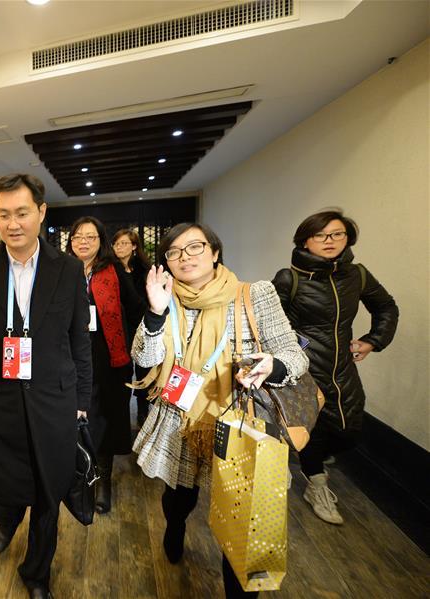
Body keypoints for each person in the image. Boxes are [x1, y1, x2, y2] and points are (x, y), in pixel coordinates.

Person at [132, 222, 307, 598]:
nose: (185, 258)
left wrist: (272, 366)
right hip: (178, 418)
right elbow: (144, 358)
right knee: (179, 497)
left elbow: (295, 356)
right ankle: (175, 527)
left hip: (240, 420)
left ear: (214, 252)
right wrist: (155, 312)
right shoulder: (165, 297)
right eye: (174, 252)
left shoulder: (253, 294)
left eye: (194, 247)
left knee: (243, 517)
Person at [0, 173, 91, 599]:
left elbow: (80, 339)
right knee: (0, 484)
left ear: (41, 213)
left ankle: (37, 572)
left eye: (22, 212)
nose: (13, 223)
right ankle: (5, 517)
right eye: (3, 214)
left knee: (48, 490)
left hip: (54, 401)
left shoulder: (66, 269)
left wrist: (82, 399)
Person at [272, 210, 398, 525]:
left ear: (347, 239)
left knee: (349, 429)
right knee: (312, 429)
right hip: (303, 368)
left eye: (337, 234)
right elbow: (271, 327)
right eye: (321, 235)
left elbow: (386, 306)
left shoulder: (357, 275)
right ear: (305, 241)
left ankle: (314, 459)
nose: (329, 241)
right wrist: (295, 355)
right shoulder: (290, 278)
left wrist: (373, 340)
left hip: (342, 367)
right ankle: (316, 484)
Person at [66, 217, 141, 514]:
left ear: (101, 241)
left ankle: (103, 481)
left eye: (90, 237)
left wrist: (128, 342)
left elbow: (136, 307)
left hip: (108, 361)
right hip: (71, 358)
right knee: (74, 418)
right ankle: (76, 474)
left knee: (104, 422)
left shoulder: (113, 271)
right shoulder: (62, 271)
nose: (83, 241)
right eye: (77, 236)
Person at [112, 228, 152, 427]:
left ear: (134, 246)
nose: (119, 247)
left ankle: (143, 413)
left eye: (124, 243)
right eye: (117, 243)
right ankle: (121, 419)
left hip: (142, 326)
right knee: (123, 374)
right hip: (120, 328)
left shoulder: (144, 270)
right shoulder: (109, 269)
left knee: (145, 371)